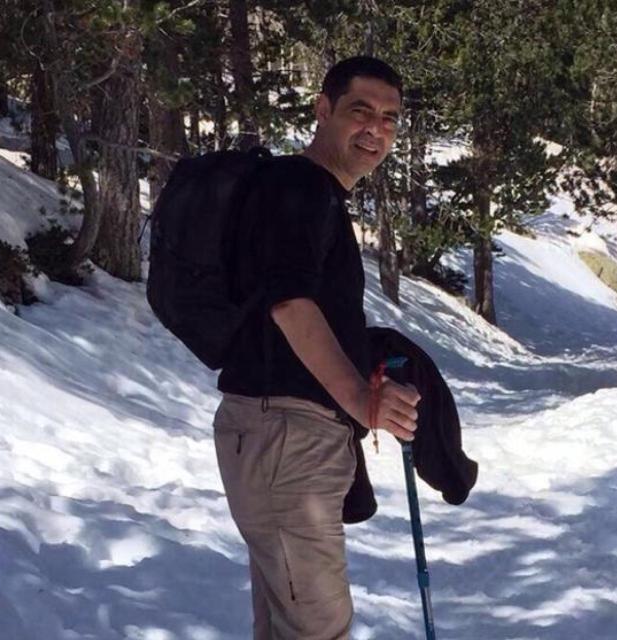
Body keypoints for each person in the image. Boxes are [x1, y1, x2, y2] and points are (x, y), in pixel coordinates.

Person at [212, 56, 422, 640]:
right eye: (360, 110)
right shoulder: (300, 186)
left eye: (389, 118)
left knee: (290, 626)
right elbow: (290, 303)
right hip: (286, 437)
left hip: (283, 435)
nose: (375, 129)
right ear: (322, 110)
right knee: (317, 628)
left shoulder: (314, 195)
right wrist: (362, 400)